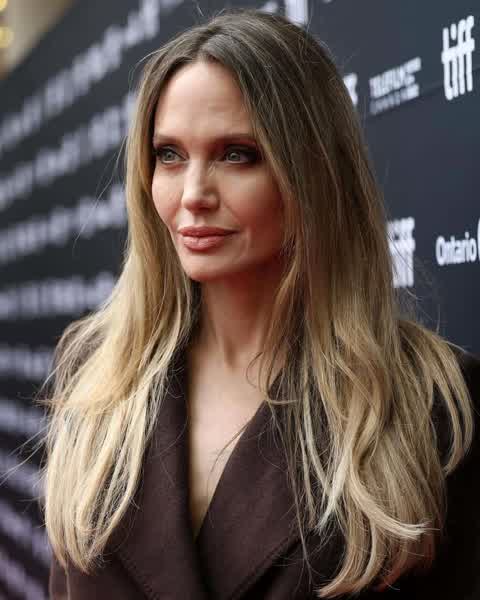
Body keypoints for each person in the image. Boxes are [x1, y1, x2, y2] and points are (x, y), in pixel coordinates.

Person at [42, 7, 480, 599]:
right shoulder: (95, 371)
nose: (193, 194)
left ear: (313, 170)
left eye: (236, 154)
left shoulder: (429, 401)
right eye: (169, 154)